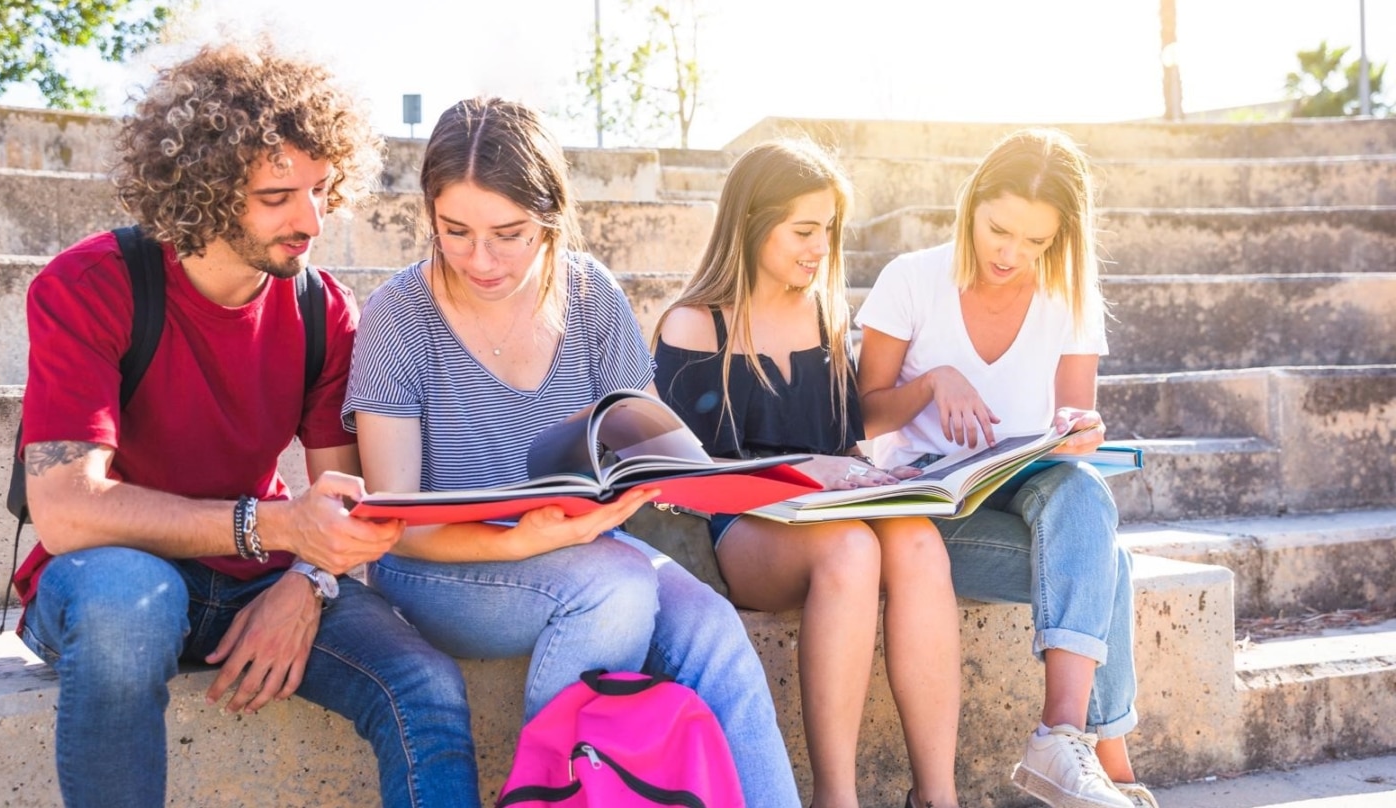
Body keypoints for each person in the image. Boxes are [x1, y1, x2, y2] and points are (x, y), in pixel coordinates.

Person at [14, 43, 479, 808]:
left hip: (258, 577)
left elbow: (341, 502)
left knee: (424, 682)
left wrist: (307, 580)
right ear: (202, 187)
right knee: (127, 612)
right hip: (109, 576)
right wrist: (278, 530)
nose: (312, 218)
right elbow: (66, 510)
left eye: (323, 188)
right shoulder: (87, 286)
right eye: (276, 195)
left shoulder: (322, 310)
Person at [342, 96, 801, 807]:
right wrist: (521, 540)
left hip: (587, 544)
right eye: (454, 231)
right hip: (444, 567)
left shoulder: (592, 296)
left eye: (509, 233)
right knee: (614, 592)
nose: (480, 259)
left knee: (710, 626)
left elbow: (647, 436)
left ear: (550, 215)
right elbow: (401, 528)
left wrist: (704, 479)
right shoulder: (397, 315)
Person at [652, 140, 963, 808]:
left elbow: (845, 438)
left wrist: (911, 421)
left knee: (915, 538)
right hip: (737, 529)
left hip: (823, 517)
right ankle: (835, 798)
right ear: (753, 223)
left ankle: (938, 797)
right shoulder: (695, 322)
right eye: (803, 230)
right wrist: (802, 468)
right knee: (852, 550)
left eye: (828, 229)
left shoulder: (824, 314)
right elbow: (687, 475)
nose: (820, 246)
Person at [855, 128, 1158, 808]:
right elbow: (862, 419)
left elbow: (1074, 420)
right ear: (972, 203)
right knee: (1108, 563)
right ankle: (1111, 762)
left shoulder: (1068, 295)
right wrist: (934, 380)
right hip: (925, 522)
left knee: (1080, 490)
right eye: (1000, 230)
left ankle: (1060, 733)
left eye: (1037, 242)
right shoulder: (911, 278)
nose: (1012, 254)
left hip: (1025, 494)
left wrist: (1079, 432)